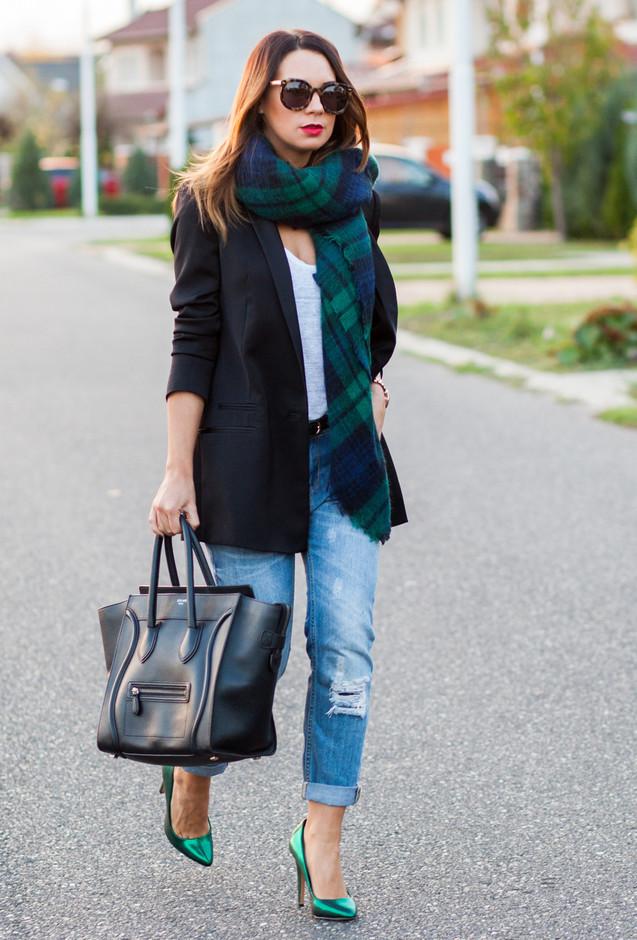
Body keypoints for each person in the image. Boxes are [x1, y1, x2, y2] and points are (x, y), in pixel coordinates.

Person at [148, 27, 408, 921]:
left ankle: (320, 838)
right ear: (258, 98)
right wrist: (176, 472)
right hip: (245, 461)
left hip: (344, 460)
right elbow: (194, 339)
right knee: (244, 662)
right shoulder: (211, 202)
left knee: (345, 652)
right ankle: (193, 773)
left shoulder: (355, 197)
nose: (314, 109)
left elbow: (373, 322)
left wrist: (373, 387)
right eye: (296, 92)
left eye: (329, 94)